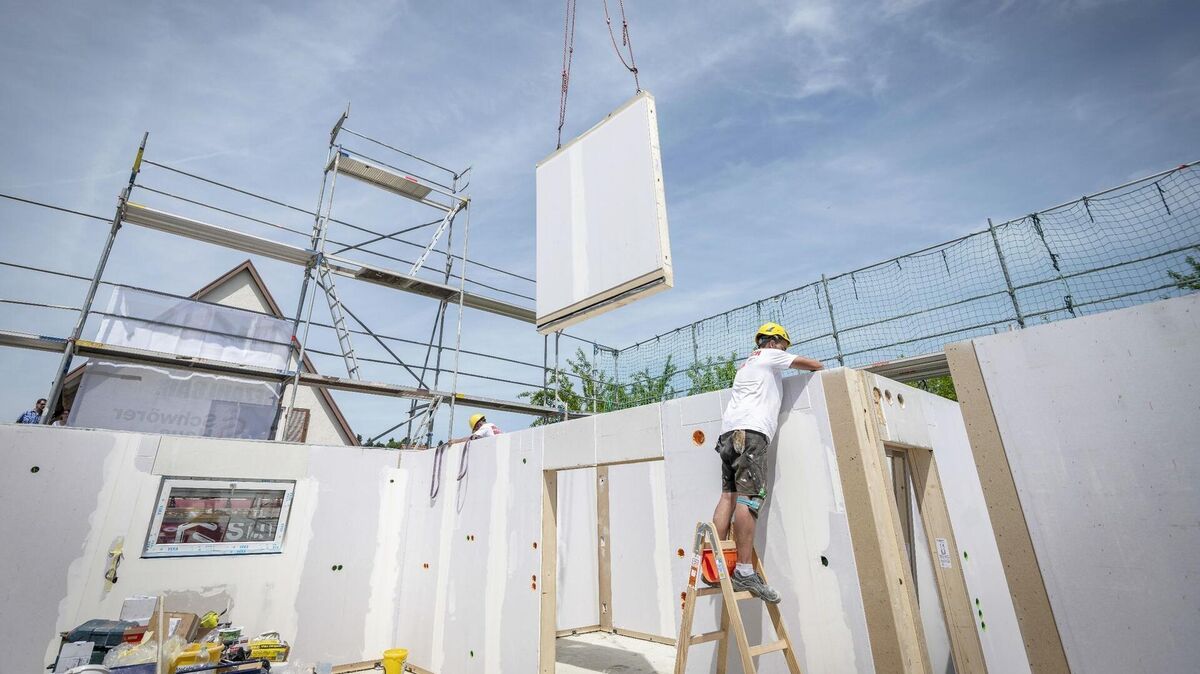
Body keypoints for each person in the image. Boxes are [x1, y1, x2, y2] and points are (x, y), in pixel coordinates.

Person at [710, 323, 823, 603]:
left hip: (728, 435)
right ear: (772, 342)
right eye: (784, 345)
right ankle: (744, 571)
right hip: (751, 433)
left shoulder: (746, 365)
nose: (785, 351)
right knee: (748, 499)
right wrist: (818, 367)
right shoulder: (769, 355)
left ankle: (714, 566)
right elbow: (814, 365)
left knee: (728, 496)